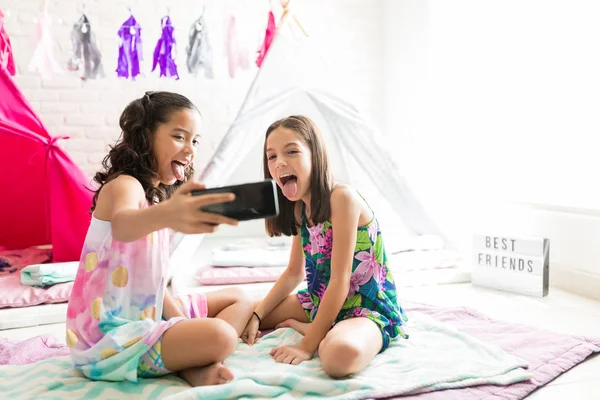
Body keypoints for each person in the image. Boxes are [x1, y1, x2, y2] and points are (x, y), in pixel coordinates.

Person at [66, 91, 253, 386]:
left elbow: (149, 283)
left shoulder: (153, 203)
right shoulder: (125, 186)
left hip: (146, 313)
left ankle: (190, 359)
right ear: (146, 137)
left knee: (240, 299)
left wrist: (184, 324)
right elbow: (123, 225)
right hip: (109, 339)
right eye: (179, 137)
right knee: (222, 335)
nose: (190, 149)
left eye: (195, 141)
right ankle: (194, 359)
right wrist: (168, 214)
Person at [241, 115, 409, 378]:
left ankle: (323, 331)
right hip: (321, 301)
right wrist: (257, 316)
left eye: (292, 151)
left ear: (315, 155)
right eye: (271, 157)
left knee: (338, 359)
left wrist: (307, 346)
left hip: (365, 307)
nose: (280, 162)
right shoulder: (300, 209)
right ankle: (322, 325)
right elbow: (293, 274)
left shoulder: (342, 198)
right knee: (242, 310)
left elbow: (340, 281)